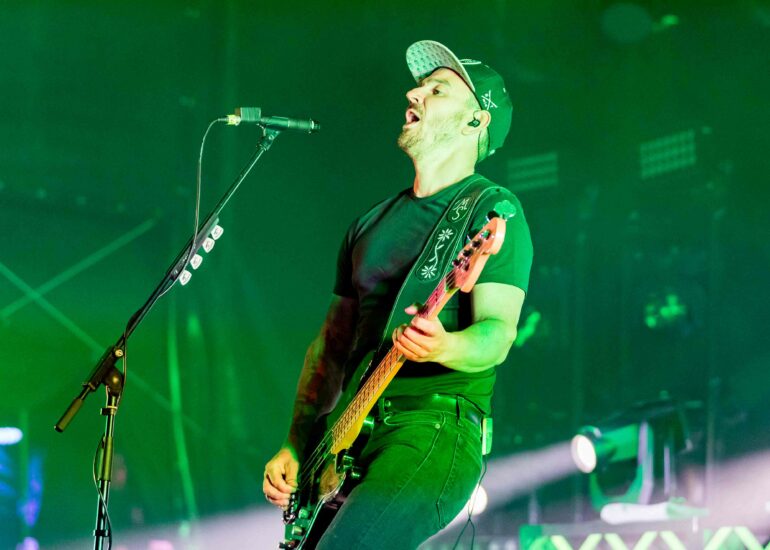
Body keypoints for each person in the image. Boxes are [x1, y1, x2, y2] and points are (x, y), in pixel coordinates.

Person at [263, 40, 533, 549]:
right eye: (419, 86)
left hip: (432, 428)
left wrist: (445, 345)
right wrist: (297, 442)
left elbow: (498, 334)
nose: (414, 93)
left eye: (438, 89)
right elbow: (330, 348)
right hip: (349, 437)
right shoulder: (368, 225)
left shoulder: (492, 210)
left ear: (475, 121)